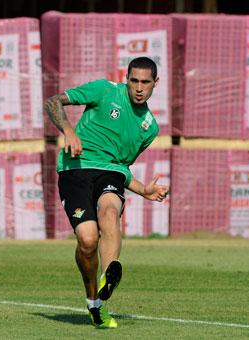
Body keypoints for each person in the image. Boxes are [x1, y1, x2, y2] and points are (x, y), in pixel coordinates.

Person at [44, 57, 169, 328]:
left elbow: (121, 168)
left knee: (110, 212)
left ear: (155, 84)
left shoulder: (150, 128)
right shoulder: (103, 90)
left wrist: (143, 189)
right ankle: (94, 303)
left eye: (145, 82)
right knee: (88, 241)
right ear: (126, 78)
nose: (138, 87)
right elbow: (52, 101)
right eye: (133, 80)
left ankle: (108, 275)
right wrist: (68, 131)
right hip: (74, 169)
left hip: (110, 174)